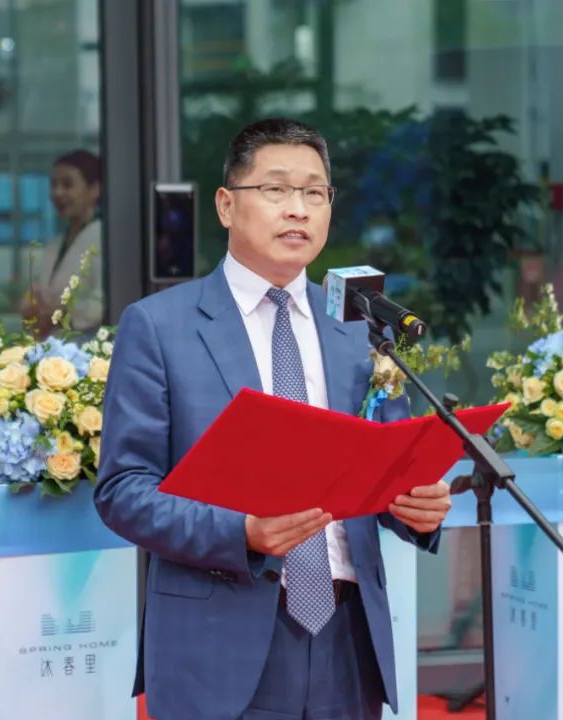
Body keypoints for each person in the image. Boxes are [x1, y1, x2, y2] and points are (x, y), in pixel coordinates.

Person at [95, 118, 452, 720]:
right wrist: (242, 532)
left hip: (348, 638)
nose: (298, 209)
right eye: (276, 189)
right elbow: (123, 491)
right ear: (226, 205)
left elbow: (387, 467)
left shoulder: (358, 329)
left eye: (315, 193)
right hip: (218, 639)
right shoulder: (160, 326)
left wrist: (417, 507)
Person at [27, 149, 104, 335]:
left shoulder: (103, 238)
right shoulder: (55, 244)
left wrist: (60, 314)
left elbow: (103, 302)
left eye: (67, 185)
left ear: (94, 190)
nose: (57, 192)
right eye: (53, 185)